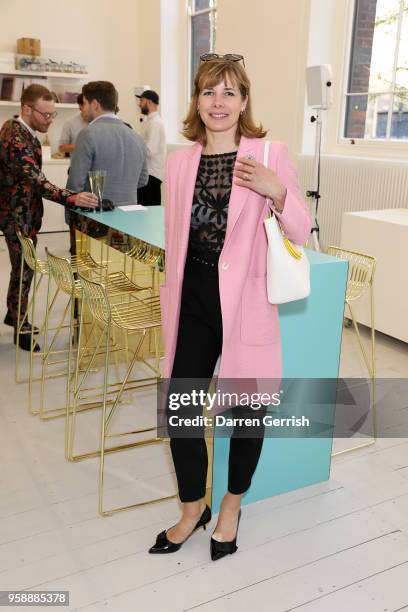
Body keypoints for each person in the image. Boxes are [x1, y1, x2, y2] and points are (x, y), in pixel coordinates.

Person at [149, 55, 312, 559]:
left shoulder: (270, 153)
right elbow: (176, 237)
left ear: (244, 102)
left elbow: (302, 230)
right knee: (180, 410)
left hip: (245, 300)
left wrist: (277, 190)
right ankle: (191, 507)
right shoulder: (180, 162)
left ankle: (232, 506)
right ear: (197, 101)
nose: (217, 103)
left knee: (247, 411)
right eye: (208, 92)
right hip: (193, 297)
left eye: (228, 93)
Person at [0, 84, 97, 351]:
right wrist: (71, 197)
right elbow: (36, 181)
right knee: (23, 268)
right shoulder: (14, 135)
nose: (50, 121)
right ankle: (20, 325)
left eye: (53, 115)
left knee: (25, 268)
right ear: (26, 109)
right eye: (46, 115)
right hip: (15, 215)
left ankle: (14, 315)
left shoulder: (26, 131)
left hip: (25, 214)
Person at [66, 81, 148, 254]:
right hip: (129, 222)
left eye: (85, 104)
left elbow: (75, 183)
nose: (83, 109)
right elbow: (143, 180)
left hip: (94, 220)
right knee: (120, 274)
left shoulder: (88, 134)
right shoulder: (137, 137)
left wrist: (70, 217)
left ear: (95, 104)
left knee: (87, 274)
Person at [136, 90, 166, 205]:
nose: (139, 104)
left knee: (150, 212)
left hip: (151, 175)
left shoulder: (155, 123)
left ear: (149, 102)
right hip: (148, 174)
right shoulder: (150, 122)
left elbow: (150, 151)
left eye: (141, 101)